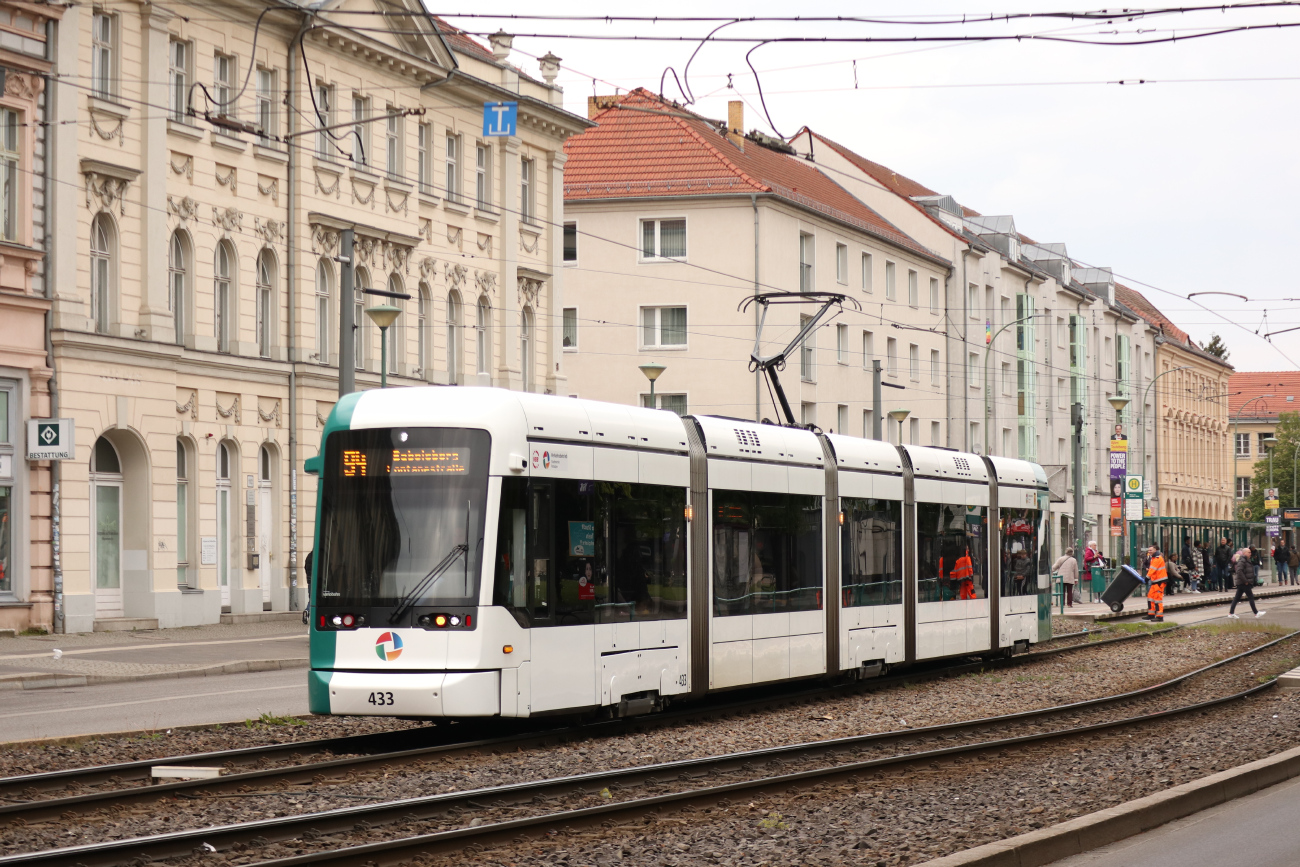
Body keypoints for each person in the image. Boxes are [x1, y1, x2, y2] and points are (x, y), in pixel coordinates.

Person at [1229, 547, 1266, 619]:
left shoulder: (1246, 560)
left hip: (1243, 582)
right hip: (1244, 583)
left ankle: (1231, 613)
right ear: (1244, 553)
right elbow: (1239, 571)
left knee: (1237, 598)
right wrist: (1245, 581)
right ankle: (1256, 613)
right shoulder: (1242, 561)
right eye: (1249, 552)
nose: (1250, 554)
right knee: (1250, 597)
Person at [1145, 545, 1168, 622]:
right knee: (1150, 597)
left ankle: (1159, 616)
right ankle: (1151, 614)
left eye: (1151, 550)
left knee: (1158, 599)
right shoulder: (1154, 558)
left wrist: (1147, 577)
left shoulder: (1157, 558)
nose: (1149, 551)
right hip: (1155, 581)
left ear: (1155, 550)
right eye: (1148, 550)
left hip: (1159, 582)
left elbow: (1152, 569)